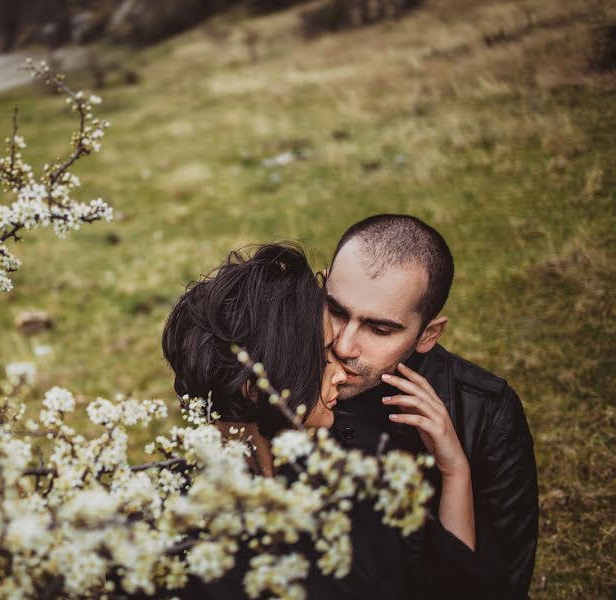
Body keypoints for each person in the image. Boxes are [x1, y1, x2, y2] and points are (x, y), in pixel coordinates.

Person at [162, 242, 492, 599]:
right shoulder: (352, 508)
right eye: (322, 357)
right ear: (253, 386)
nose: (340, 371)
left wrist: (455, 472)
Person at [323, 214, 539, 598]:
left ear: (428, 335)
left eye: (380, 329)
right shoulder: (274, 374)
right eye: (336, 311)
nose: (344, 346)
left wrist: (455, 472)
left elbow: (506, 578)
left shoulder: (485, 412)